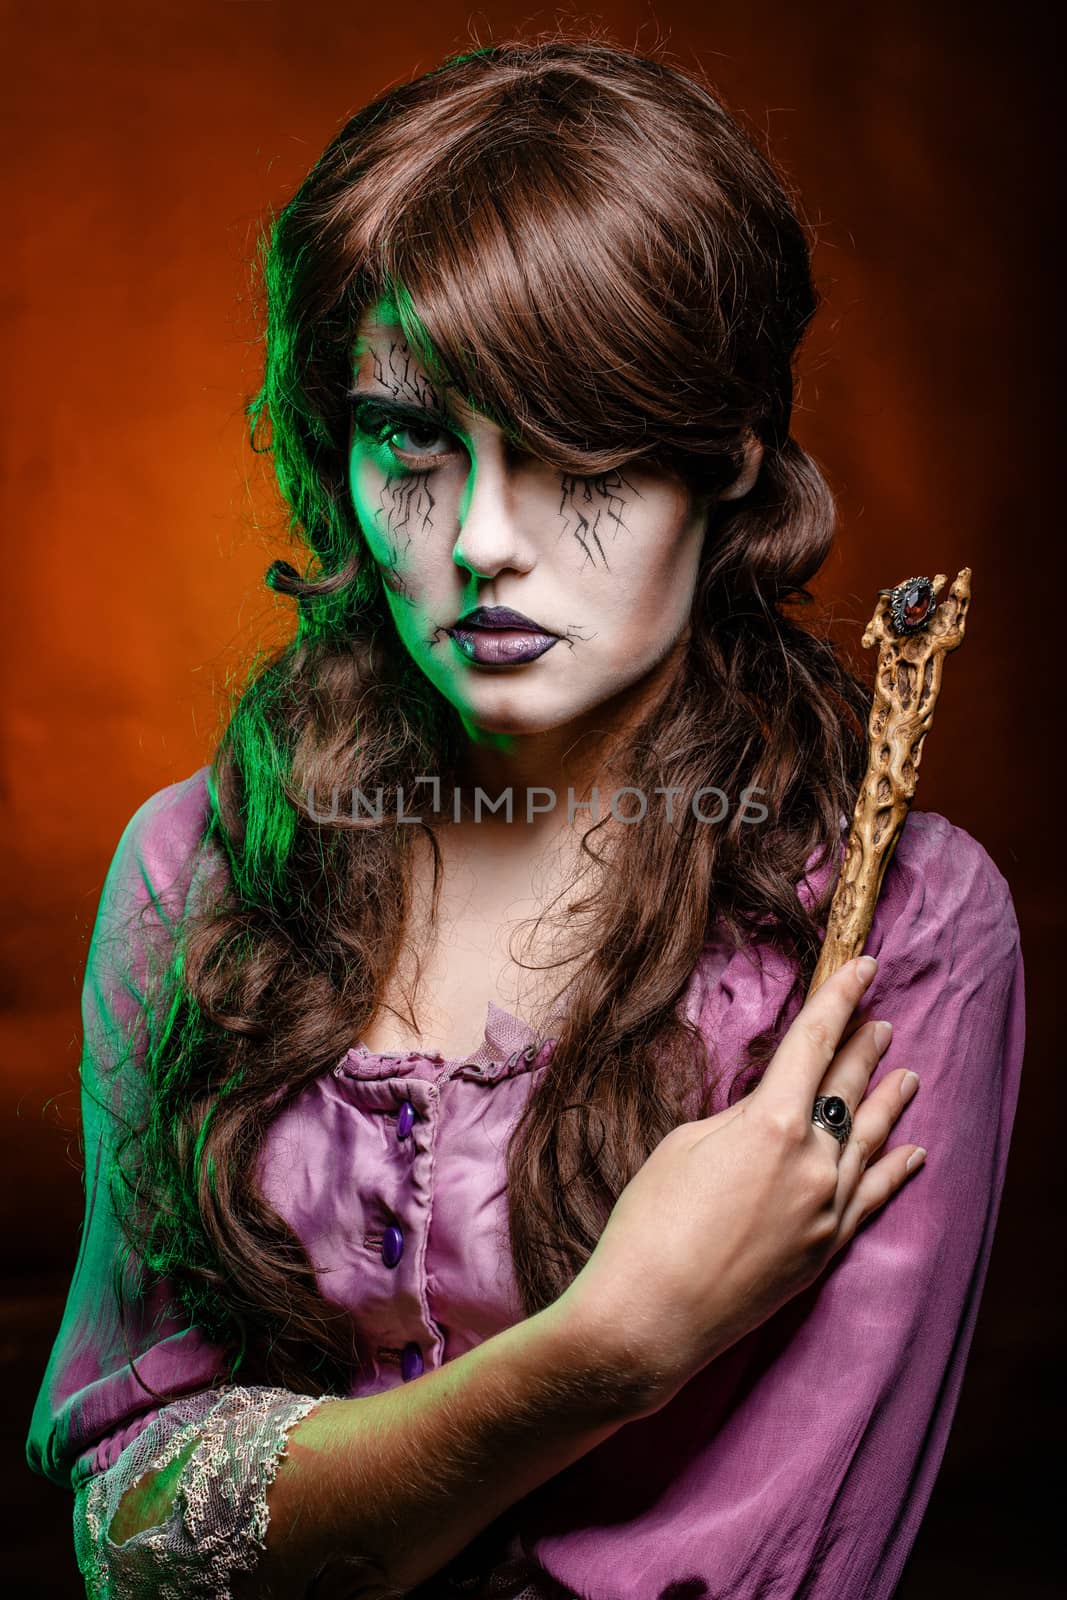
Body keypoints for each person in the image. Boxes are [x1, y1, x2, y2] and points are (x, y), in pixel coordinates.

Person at [26, 35, 1025, 1600]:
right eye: (411, 436)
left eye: (576, 448)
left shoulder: (892, 927)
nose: (485, 538)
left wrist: (296, 1499)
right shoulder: (196, 870)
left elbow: (783, 1567)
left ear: (727, 453)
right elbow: (127, 1535)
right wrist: (605, 1350)